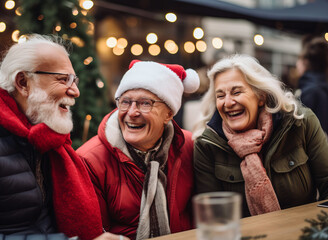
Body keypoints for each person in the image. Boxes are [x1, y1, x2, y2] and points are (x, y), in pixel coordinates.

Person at [0, 34, 128, 240]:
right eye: (63, 79)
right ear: (23, 82)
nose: (76, 91)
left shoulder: (43, 135)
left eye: (74, 80)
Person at [192, 54, 328, 218]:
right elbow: (214, 218)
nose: (227, 103)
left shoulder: (300, 123)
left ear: (261, 97)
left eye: (236, 92)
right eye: (220, 95)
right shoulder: (207, 145)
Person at [77, 60, 200, 240]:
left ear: (168, 114)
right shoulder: (89, 160)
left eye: (145, 103)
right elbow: (94, 233)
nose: (132, 112)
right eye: (125, 102)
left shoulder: (188, 146)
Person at [295, 36, 328, 133]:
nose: (296, 64)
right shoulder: (322, 87)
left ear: (305, 62)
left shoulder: (309, 92)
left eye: (299, 59)